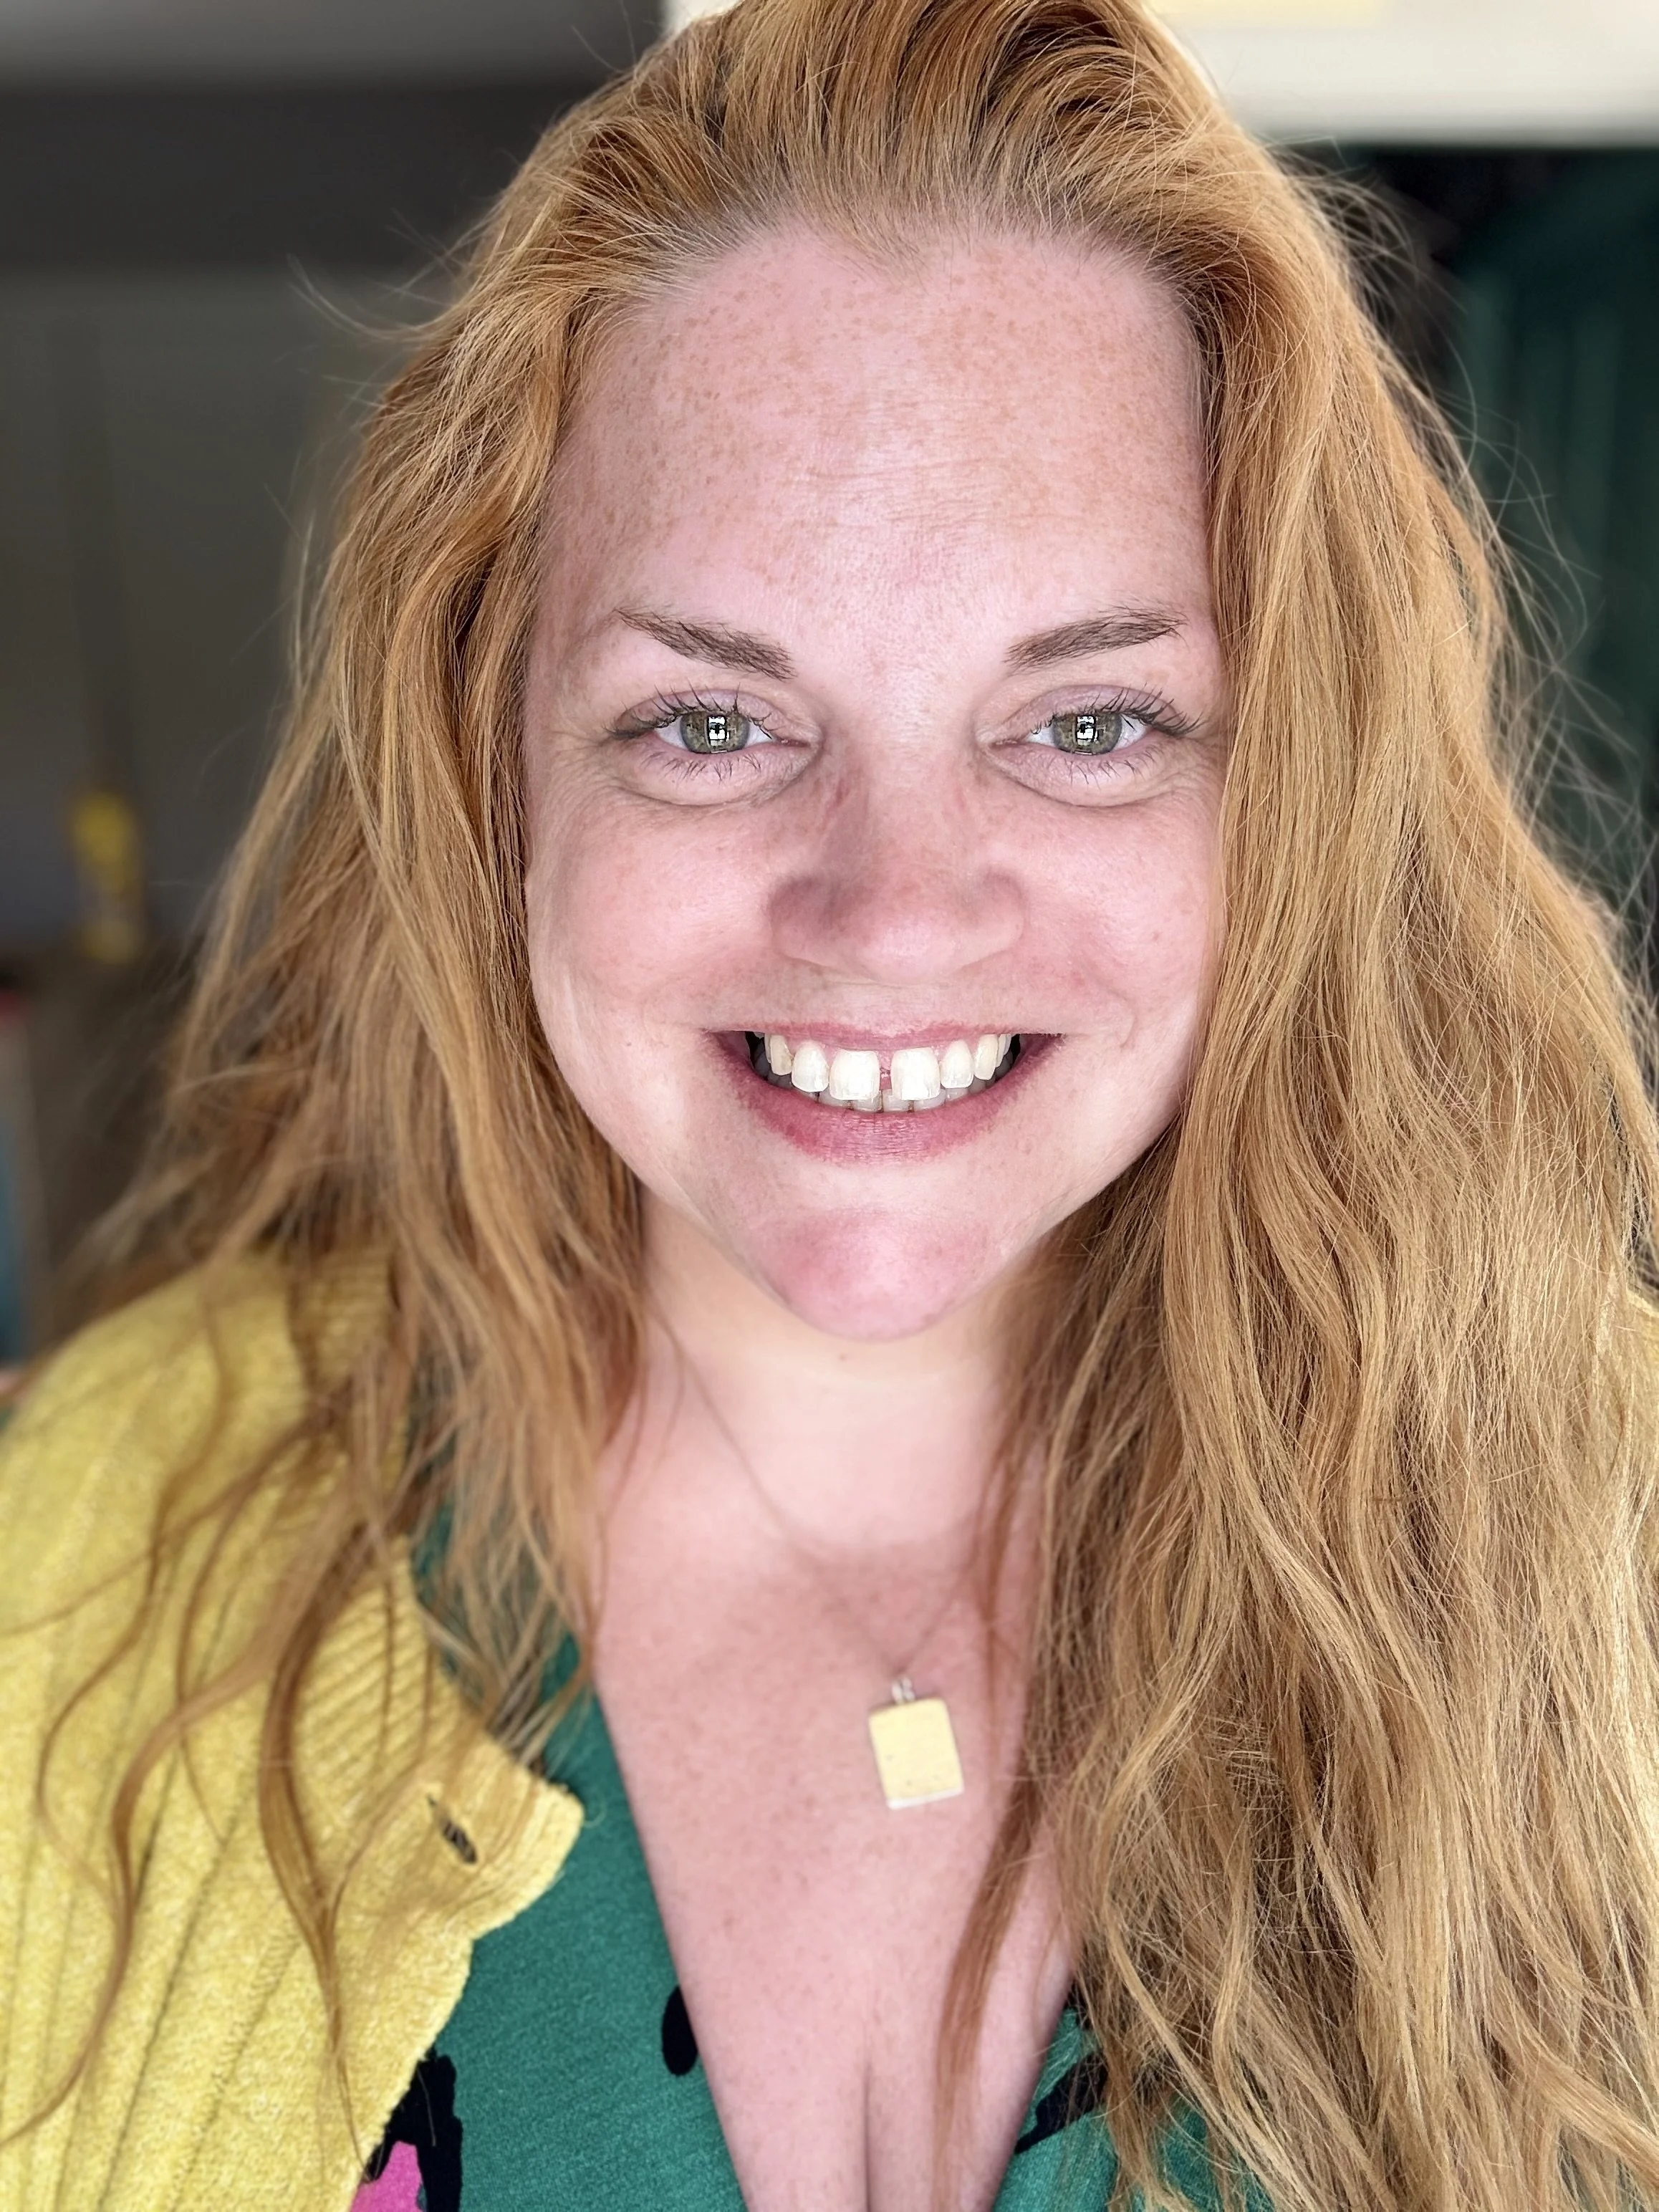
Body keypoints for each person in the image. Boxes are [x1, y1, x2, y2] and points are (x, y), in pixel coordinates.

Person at [6, 1, 1659, 2207]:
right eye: (707, 723)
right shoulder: (91, 1560)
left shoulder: (1607, 1542)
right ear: (493, 764)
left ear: (1290, 779)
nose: (890, 916)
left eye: (1087, 722)